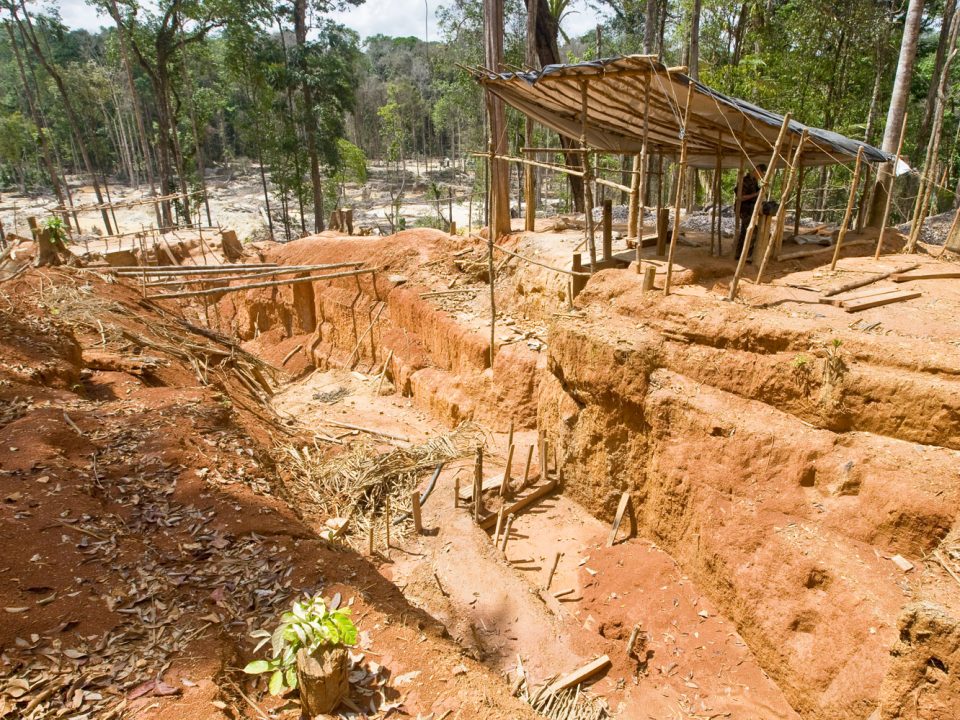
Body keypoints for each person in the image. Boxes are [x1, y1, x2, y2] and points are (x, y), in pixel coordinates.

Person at [735, 163, 765, 262]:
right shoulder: (745, 181)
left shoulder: (754, 181)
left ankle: (739, 255)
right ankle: (746, 256)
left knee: (745, 232)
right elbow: (741, 197)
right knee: (752, 232)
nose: (762, 177)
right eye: (762, 174)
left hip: (750, 210)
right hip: (744, 210)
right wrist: (756, 194)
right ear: (757, 170)